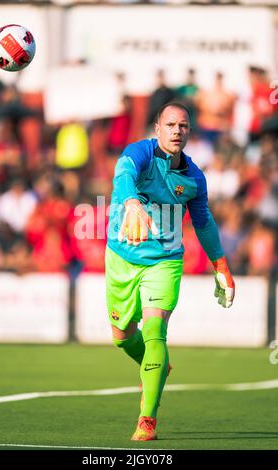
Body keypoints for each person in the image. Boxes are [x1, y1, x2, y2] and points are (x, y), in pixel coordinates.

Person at [105, 102, 235, 441]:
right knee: (121, 337)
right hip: (121, 257)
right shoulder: (139, 153)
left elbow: (204, 222)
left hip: (165, 261)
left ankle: (147, 420)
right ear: (157, 129)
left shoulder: (193, 178)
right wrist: (132, 202)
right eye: (171, 125)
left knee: (154, 331)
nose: (177, 131)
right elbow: (123, 177)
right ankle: (158, 366)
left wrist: (220, 263)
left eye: (184, 126)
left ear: (189, 133)